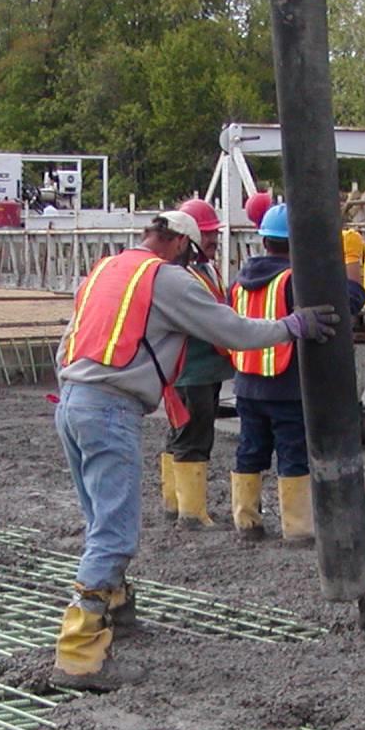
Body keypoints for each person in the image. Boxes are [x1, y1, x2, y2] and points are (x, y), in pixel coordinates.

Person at [51, 209, 338, 693]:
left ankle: (117, 612)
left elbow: (67, 346)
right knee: (114, 534)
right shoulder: (168, 280)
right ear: (183, 246)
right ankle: (79, 656)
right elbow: (236, 332)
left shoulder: (107, 268)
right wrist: (293, 326)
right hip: (108, 412)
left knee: (100, 517)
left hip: (73, 404)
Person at [229, 204, 365, 544]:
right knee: (292, 455)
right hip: (286, 387)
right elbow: (336, 310)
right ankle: (299, 530)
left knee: (250, 451)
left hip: (247, 384)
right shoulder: (295, 281)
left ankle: (247, 524)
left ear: (265, 241)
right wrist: (353, 279)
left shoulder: (240, 280)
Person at [158, 197, 234, 528]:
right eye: (207, 234)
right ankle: (191, 513)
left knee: (183, 435)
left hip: (200, 369)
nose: (214, 240)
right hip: (191, 371)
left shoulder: (204, 268)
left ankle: (175, 504)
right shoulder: (181, 275)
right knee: (193, 436)